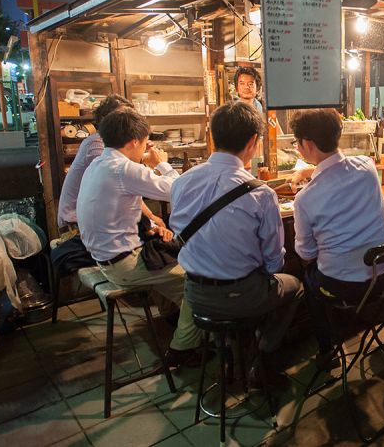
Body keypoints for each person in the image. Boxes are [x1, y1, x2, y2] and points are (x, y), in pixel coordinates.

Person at [169, 102, 303, 386]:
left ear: (213, 136)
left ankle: (230, 349)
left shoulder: (181, 183)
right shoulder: (260, 194)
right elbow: (273, 262)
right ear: (253, 142)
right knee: (295, 285)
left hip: (194, 294)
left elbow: (178, 230)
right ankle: (262, 359)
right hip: (243, 296)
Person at [77, 108, 202, 366]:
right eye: (145, 142)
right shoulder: (124, 169)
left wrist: (152, 224)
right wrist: (161, 164)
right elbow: (178, 190)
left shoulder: (99, 163)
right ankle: (183, 348)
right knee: (198, 283)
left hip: (104, 257)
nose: (146, 147)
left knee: (172, 253)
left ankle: (179, 322)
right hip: (124, 265)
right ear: (134, 141)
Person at [290, 108, 384, 364]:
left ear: (308, 144)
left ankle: (328, 353)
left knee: (308, 275)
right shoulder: (367, 167)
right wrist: (309, 172)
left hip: (343, 286)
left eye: (297, 143)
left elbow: (306, 253)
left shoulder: (305, 199)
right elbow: (340, 171)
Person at [57, 94, 165, 231]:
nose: (130, 122)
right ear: (108, 120)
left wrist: (139, 151)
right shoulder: (96, 144)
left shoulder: (111, 145)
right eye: (123, 117)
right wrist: (150, 217)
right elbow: (125, 181)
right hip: (76, 225)